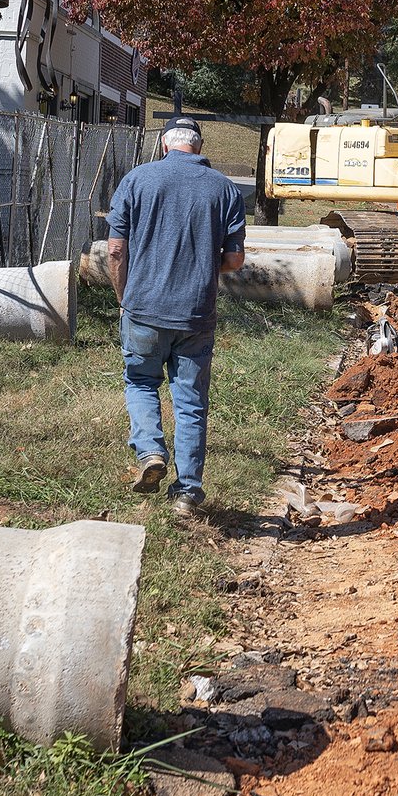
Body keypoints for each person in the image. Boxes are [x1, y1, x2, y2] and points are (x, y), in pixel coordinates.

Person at [106, 119, 246, 521]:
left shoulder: (137, 179)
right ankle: (187, 494)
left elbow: (117, 250)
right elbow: (235, 259)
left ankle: (150, 451)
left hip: (143, 308)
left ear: (164, 144)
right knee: (190, 402)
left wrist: (124, 298)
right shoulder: (224, 189)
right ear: (200, 145)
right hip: (195, 314)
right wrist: (200, 266)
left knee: (141, 382)